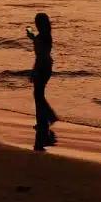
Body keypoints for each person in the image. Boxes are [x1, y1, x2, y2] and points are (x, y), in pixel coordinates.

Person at [27, 13, 58, 147]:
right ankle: (43, 121)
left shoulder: (45, 36)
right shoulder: (44, 35)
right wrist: (32, 36)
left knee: (38, 95)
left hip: (43, 67)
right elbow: (39, 43)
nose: (36, 25)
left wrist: (35, 70)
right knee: (38, 95)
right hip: (45, 66)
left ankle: (48, 118)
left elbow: (41, 55)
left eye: (37, 22)